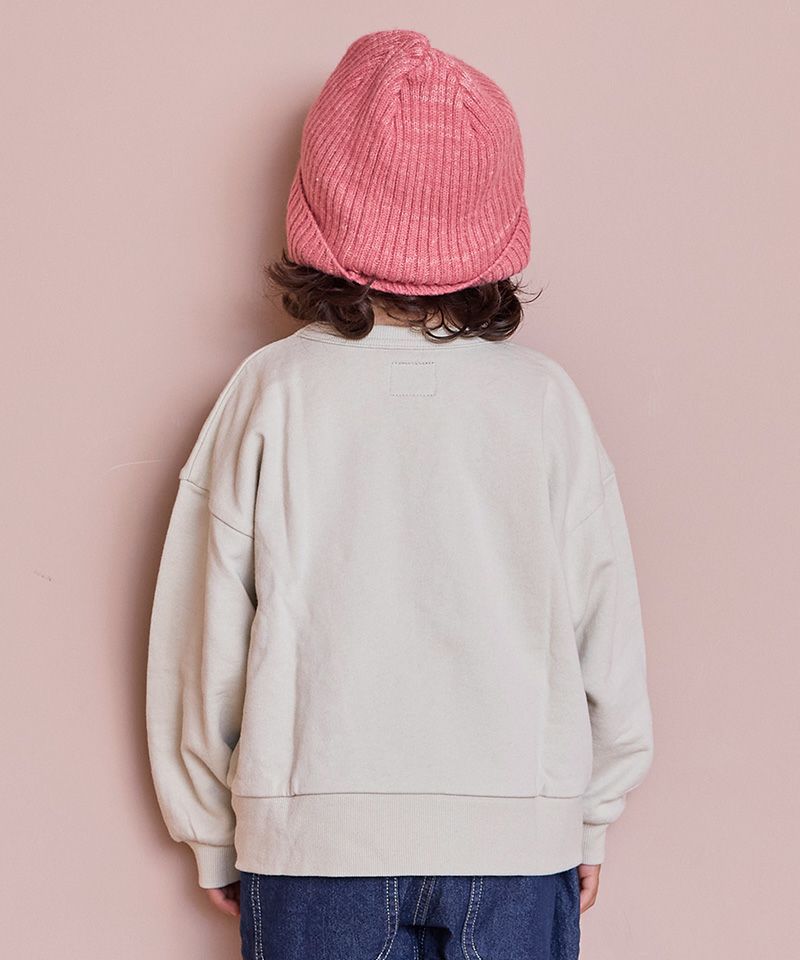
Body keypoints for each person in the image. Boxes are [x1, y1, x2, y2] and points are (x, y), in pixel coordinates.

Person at [145, 29, 654, 960]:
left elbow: (203, 629)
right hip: (515, 845)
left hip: (314, 848)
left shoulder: (273, 392)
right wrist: (589, 814)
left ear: (318, 209)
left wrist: (211, 827)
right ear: (497, 222)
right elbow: (604, 631)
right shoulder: (542, 402)